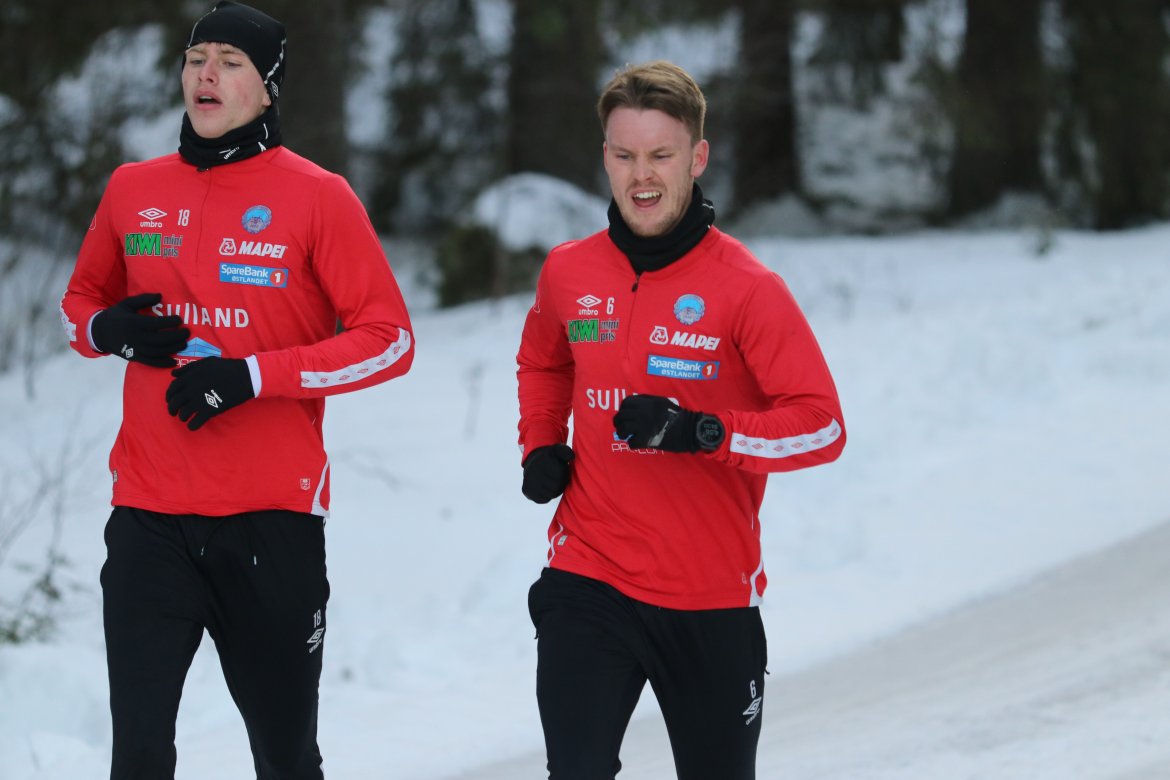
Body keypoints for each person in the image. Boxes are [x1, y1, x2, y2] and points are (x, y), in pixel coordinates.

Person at [59, 2, 415, 777]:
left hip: (269, 521)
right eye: (196, 59)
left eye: (229, 61)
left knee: (284, 757)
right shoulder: (132, 188)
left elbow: (390, 340)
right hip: (149, 516)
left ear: (268, 85)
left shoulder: (318, 195)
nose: (207, 74)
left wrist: (254, 376)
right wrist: (111, 330)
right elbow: (78, 304)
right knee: (139, 754)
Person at [516, 60, 846, 780]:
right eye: (624, 155)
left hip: (708, 594)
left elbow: (822, 426)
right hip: (589, 573)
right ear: (605, 156)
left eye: (661, 155)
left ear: (697, 158)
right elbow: (544, 362)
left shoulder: (748, 289)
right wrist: (540, 443)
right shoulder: (569, 271)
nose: (642, 175)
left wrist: (703, 431)